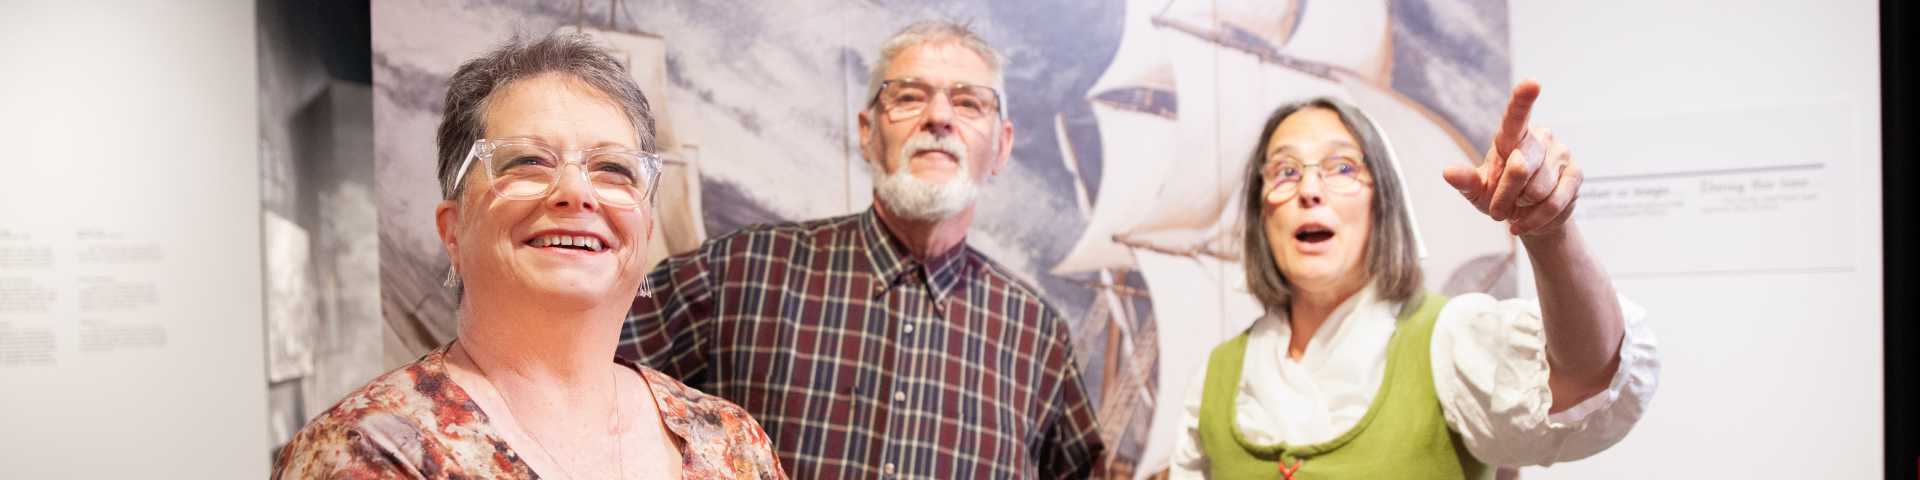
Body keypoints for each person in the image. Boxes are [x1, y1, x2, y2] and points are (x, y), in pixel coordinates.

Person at [272, 31, 785, 480]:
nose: (576, 193)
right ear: (453, 231)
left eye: (613, 169)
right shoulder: (366, 451)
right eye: (529, 161)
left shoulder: (734, 442)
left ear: (646, 231)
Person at [621, 21, 1104, 479]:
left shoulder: (1038, 337)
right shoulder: (742, 271)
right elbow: (581, 352)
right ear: (868, 131)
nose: (939, 117)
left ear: (1000, 146)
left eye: (969, 103)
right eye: (910, 97)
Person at [1169, 83, 1660, 478]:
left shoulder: (1450, 339)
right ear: (1260, 212)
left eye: (1342, 167)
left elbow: (1587, 378)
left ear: (1382, 203)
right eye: (1285, 171)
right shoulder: (1216, 378)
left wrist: (1550, 233)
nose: (1310, 190)